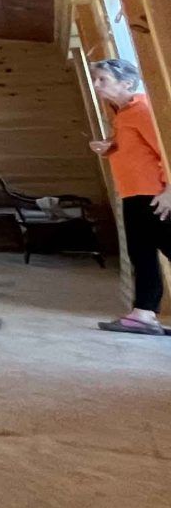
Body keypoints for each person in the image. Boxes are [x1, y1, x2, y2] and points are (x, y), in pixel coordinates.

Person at [88, 58, 171, 333]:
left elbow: (167, 151)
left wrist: (170, 191)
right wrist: (111, 145)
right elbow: (140, 150)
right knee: (142, 254)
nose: (97, 84)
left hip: (154, 195)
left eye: (103, 79)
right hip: (134, 193)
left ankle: (144, 312)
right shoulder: (122, 113)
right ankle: (143, 313)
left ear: (127, 83)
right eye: (96, 79)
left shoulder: (142, 109)